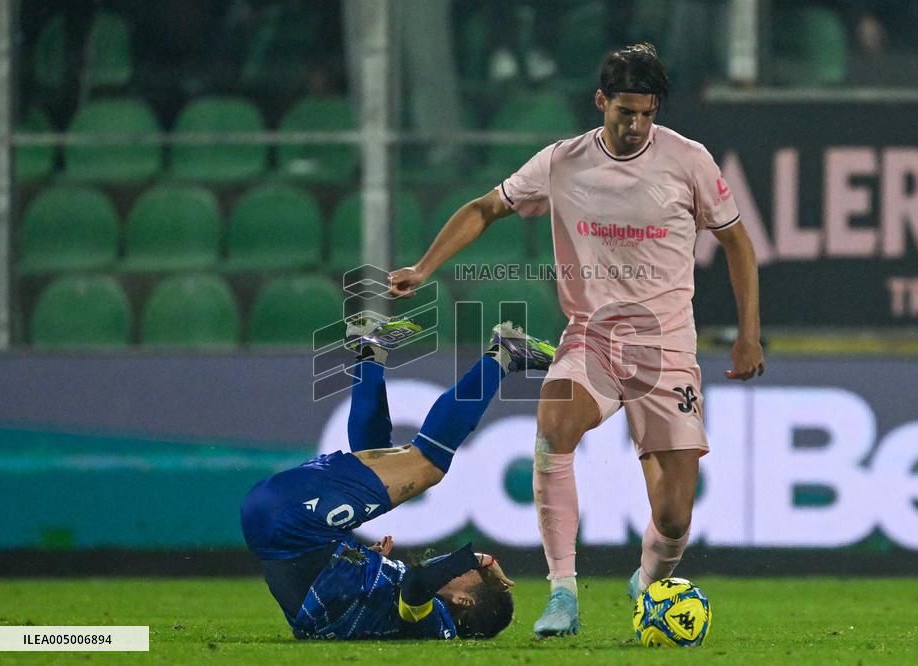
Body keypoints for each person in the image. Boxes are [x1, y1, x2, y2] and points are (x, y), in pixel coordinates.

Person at [388, 43, 765, 637]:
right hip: (593, 338)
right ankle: (562, 592)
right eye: (624, 112)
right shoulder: (563, 162)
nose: (636, 124)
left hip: (667, 346)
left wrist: (749, 336)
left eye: (646, 113)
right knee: (554, 422)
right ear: (601, 102)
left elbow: (739, 243)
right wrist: (424, 266)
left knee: (673, 514)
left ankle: (649, 579)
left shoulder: (689, 161)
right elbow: (486, 208)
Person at [241, 317, 556, 640]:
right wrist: (358, 561)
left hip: (292, 522)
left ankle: (504, 355)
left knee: (427, 465)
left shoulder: (436, 625)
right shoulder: (399, 618)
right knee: (378, 458)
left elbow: (417, 584)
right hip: (277, 527)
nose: (457, 566)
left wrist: (478, 559)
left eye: (468, 574)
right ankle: (369, 350)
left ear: (464, 600)